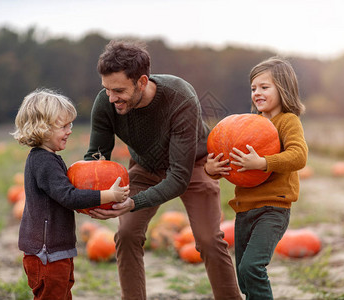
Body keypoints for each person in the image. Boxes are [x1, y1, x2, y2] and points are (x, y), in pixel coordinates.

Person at [84, 40, 242, 300]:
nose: (111, 98)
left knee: (209, 241)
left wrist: (134, 202)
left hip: (192, 165)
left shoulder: (180, 98)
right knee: (125, 234)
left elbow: (179, 177)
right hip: (144, 167)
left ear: (142, 82)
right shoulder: (106, 102)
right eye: (107, 89)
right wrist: (92, 195)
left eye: (119, 90)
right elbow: (96, 157)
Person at [205, 57, 308, 300]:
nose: (257, 93)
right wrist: (212, 168)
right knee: (244, 276)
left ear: (282, 89)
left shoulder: (288, 121)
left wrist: (263, 163)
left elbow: (299, 156)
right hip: (245, 209)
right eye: (253, 88)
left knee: (252, 267)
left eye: (264, 87)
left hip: (273, 208)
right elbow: (226, 164)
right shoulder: (249, 126)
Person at [11, 88, 129, 299]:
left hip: (55, 250)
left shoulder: (48, 158)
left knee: (63, 294)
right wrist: (108, 195)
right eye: (63, 126)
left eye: (70, 124)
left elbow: (62, 198)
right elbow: (69, 196)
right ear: (43, 128)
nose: (70, 130)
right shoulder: (44, 162)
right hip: (47, 254)